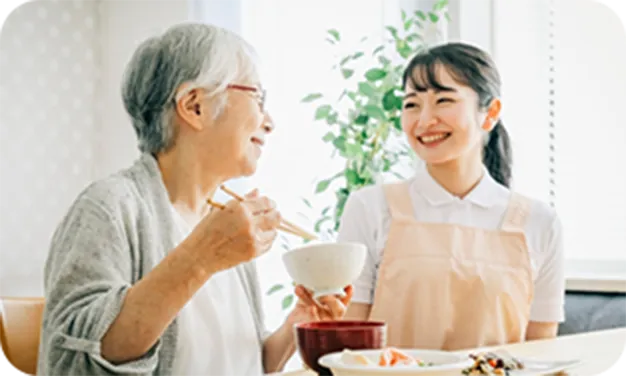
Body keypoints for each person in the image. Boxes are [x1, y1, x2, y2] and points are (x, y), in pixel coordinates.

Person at [37, 23, 352, 376]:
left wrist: (298, 323)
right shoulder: (110, 206)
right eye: (258, 98)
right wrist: (203, 256)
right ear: (194, 105)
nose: (270, 122)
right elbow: (74, 362)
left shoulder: (226, 223)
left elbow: (243, 363)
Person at [339, 42, 565, 350]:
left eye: (443, 100)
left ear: (490, 113)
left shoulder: (539, 222)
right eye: (412, 104)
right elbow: (350, 343)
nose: (424, 120)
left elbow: (540, 352)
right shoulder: (370, 208)